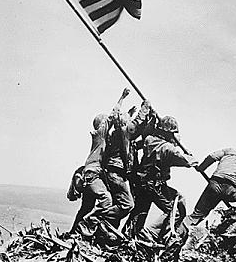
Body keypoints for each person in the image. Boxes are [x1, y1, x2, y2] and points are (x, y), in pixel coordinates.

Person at [126, 116, 198, 261]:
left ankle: (129, 238)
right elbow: (187, 161)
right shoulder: (168, 149)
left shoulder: (149, 140)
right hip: (155, 184)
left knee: (140, 211)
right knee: (177, 207)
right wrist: (190, 157)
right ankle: (150, 235)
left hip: (141, 182)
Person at [68, 88, 130, 234]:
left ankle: (73, 232)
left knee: (86, 206)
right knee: (106, 199)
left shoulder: (101, 139)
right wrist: (122, 98)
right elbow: (112, 115)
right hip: (93, 174)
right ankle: (87, 223)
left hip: (92, 174)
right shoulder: (100, 134)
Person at [102, 99, 152, 228]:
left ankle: (108, 232)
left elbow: (136, 143)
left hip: (115, 174)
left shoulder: (118, 136)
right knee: (127, 205)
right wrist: (145, 108)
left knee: (118, 204)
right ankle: (97, 218)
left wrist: (150, 122)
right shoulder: (123, 133)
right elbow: (136, 125)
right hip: (116, 174)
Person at [186, 145, 236, 226]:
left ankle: (180, 229)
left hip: (214, 185)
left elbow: (212, 157)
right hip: (230, 191)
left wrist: (201, 168)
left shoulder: (229, 151)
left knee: (196, 215)